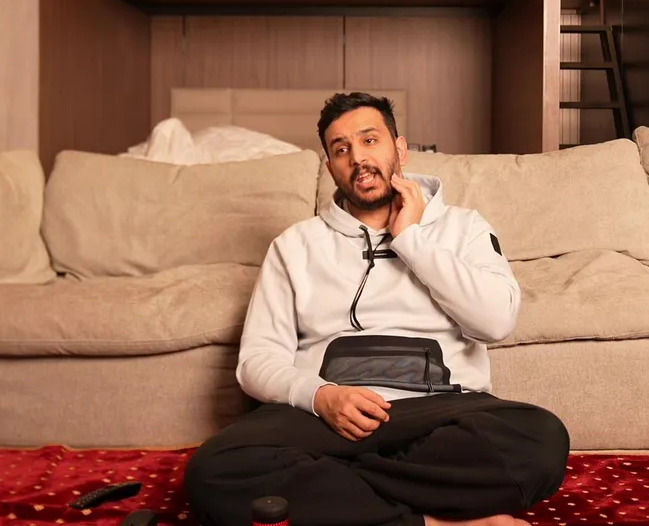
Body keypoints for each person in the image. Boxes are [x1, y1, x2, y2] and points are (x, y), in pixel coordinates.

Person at [184, 92, 570, 526]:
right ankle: (436, 523)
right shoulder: (294, 245)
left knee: (540, 441)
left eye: (370, 141)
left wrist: (412, 241)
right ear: (330, 166)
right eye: (341, 149)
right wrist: (320, 396)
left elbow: (496, 322)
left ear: (400, 149)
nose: (358, 159)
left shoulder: (465, 227)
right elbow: (257, 360)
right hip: (325, 417)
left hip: (438, 413)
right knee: (214, 469)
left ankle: (336, 494)